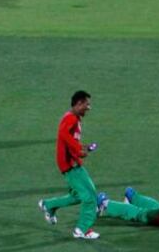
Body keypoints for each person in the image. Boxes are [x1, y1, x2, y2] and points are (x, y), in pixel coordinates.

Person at [38, 90, 104, 240]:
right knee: (89, 197)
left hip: (73, 163)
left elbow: (70, 139)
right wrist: (78, 151)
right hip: (70, 165)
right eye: (87, 104)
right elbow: (63, 134)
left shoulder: (74, 118)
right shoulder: (71, 118)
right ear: (79, 103)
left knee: (79, 195)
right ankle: (82, 229)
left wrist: (83, 147)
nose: (89, 108)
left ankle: (48, 205)